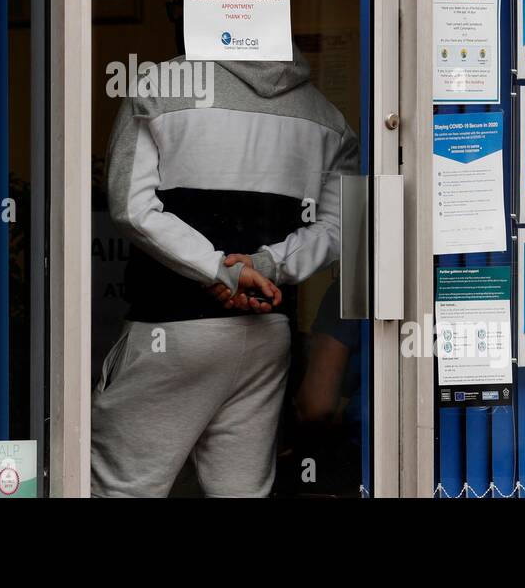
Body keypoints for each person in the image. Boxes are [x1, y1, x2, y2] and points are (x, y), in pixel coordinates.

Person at [92, 42, 358, 497]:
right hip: (266, 335)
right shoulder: (326, 117)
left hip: (171, 330)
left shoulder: (158, 88)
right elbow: (340, 227)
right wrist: (265, 265)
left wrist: (219, 268)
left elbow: (132, 208)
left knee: (123, 488)